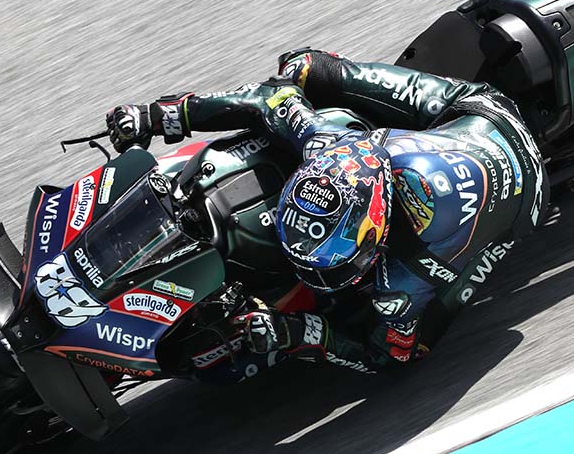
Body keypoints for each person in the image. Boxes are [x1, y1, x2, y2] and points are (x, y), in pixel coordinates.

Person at [106, 49, 549, 381]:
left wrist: (295, 332)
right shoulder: (329, 146)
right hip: (453, 135)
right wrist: (160, 116)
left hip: (508, 164)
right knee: (301, 67)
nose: (307, 272)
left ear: (378, 234)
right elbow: (272, 97)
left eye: (330, 262)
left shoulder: (406, 276)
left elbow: (391, 355)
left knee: (417, 331)